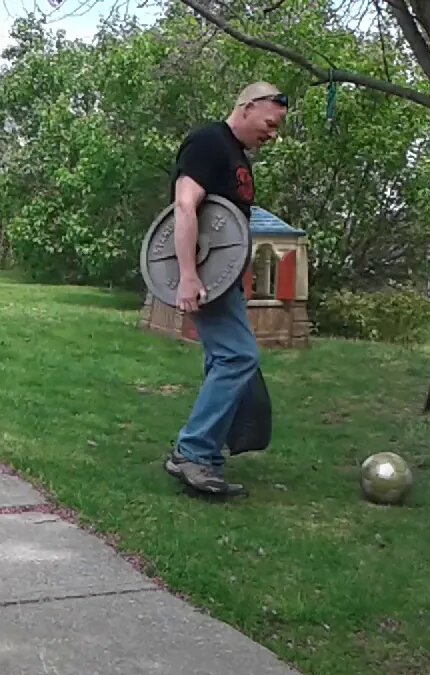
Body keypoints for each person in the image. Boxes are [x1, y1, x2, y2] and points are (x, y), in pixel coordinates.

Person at [164, 81, 288, 498]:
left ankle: (207, 459)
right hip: (200, 278)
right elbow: (185, 205)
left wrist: (237, 277)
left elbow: (228, 228)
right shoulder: (208, 142)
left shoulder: (237, 155)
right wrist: (188, 275)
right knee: (238, 356)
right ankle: (193, 452)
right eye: (270, 123)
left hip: (223, 281)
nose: (273, 134)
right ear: (248, 107)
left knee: (223, 358)